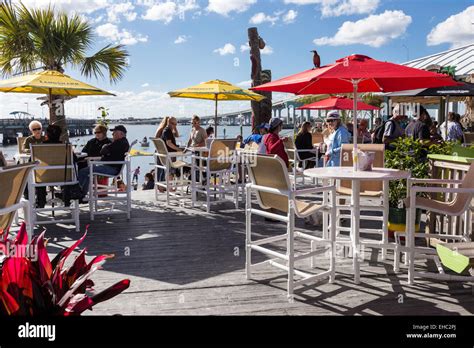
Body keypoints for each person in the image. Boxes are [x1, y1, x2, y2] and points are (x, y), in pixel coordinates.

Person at [78, 125, 130, 197]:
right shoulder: (122, 142)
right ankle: (81, 194)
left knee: (83, 171)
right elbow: (105, 152)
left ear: (120, 134)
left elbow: (103, 151)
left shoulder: (119, 143)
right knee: (86, 171)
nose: (112, 134)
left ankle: (78, 193)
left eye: (114, 133)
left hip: (111, 168)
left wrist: (105, 147)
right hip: (110, 166)